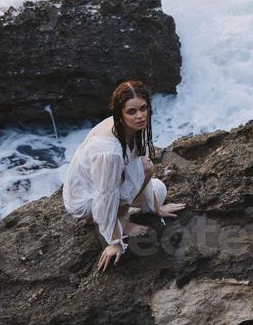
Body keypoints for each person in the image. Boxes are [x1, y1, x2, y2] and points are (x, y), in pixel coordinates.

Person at [63, 79, 185, 271]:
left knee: (158, 188)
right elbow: (105, 196)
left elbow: (136, 168)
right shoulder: (108, 152)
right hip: (86, 200)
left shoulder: (127, 128)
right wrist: (114, 240)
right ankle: (117, 221)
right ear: (120, 113)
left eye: (143, 108)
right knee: (145, 169)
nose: (140, 116)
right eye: (132, 111)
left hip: (103, 189)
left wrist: (156, 208)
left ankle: (118, 217)